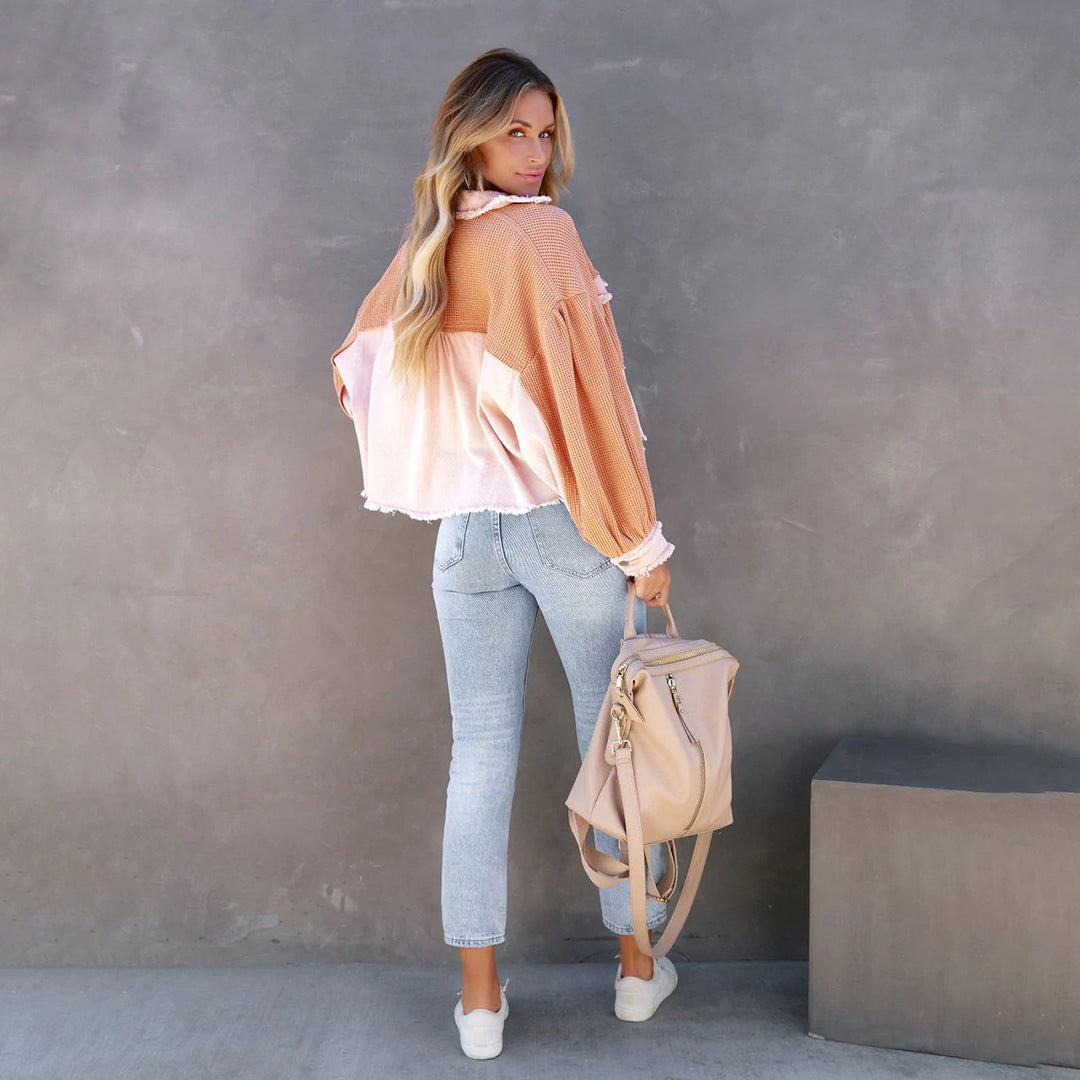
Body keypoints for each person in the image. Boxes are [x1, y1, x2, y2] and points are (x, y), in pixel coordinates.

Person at [330, 47, 676, 1060]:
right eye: (514, 131)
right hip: (561, 524)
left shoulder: (431, 243)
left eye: (545, 131)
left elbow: (354, 371)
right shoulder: (541, 236)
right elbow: (591, 405)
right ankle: (637, 970)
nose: (534, 152)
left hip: (464, 535)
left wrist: (447, 442)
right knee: (613, 741)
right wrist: (641, 541)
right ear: (470, 135)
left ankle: (479, 1003)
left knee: (478, 753)